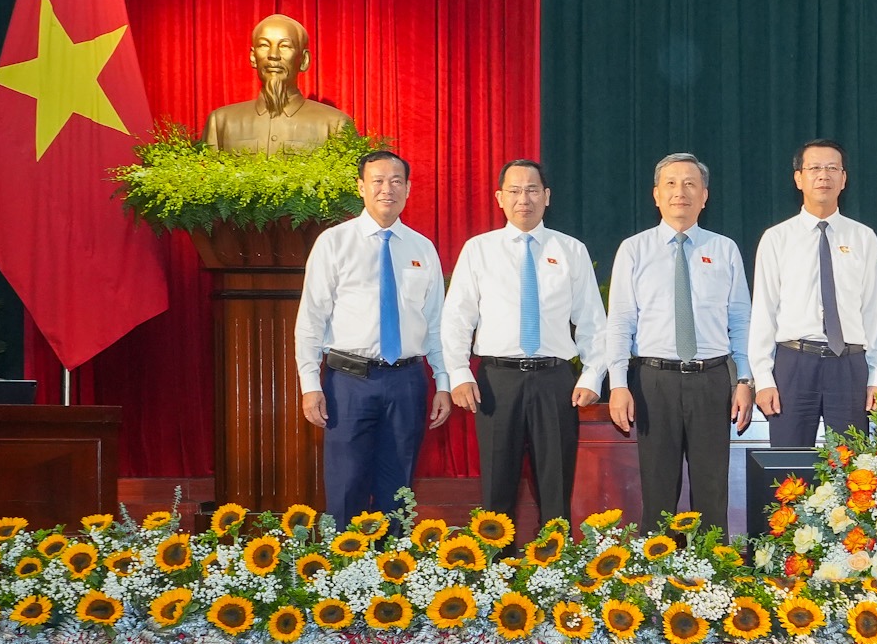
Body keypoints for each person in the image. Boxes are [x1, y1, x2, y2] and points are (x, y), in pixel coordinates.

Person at [441, 160, 605, 527]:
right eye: (514, 191)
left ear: (547, 196)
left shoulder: (571, 250)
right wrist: (458, 373)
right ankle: (495, 560)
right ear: (499, 198)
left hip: (555, 381)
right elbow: (456, 318)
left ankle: (557, 558)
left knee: (556, 486)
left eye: (532, 190)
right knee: (497, 488)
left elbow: (593, 321)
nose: (523, 199)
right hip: (496, 382)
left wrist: (593, 374)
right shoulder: (479, 250)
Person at [295, 149, 451, 522]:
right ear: (361, 187)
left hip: (407, 382)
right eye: (377, 181)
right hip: (349, 382)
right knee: (345, 486)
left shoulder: (422, 247)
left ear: (408, 189)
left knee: (398, 490)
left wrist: (443, 382)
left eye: (396, 181)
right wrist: (309, 384)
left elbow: (436, 323)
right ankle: (342, 559)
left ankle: (393, 557)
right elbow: (311, 318)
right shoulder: (334, 242)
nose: (387, 189)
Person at [605, 153, 755, 533]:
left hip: (712, 380)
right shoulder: (634, 249)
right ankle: (656, 568)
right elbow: (620, 321)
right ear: (656, 195)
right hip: (654, 381)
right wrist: (618, 384)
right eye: (670, 184)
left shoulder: (724, 249)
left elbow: (741, 321)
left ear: (705, 196)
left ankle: (713, 567)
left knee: (712, 492)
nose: (680, 192)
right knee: (658, 492)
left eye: (690, 184)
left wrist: (745, 379)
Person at [750, 140, 877, 448]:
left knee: (853, 466)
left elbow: (875, 313)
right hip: (794, 364)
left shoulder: (863, 237)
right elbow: (764, 312)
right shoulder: (776, 238)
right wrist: (764, 378)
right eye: (814, 168)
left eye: (832, 168)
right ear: (798, 178)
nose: (824, 175)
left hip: (849, 364)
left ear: (844, 179)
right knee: (788, 466)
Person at [201, 13, 354, 154]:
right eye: (264, 45)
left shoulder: (335, 125)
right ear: (253, 57)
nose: (273, 55)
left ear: (304, 60)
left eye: (285, 46)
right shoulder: (220, 122)